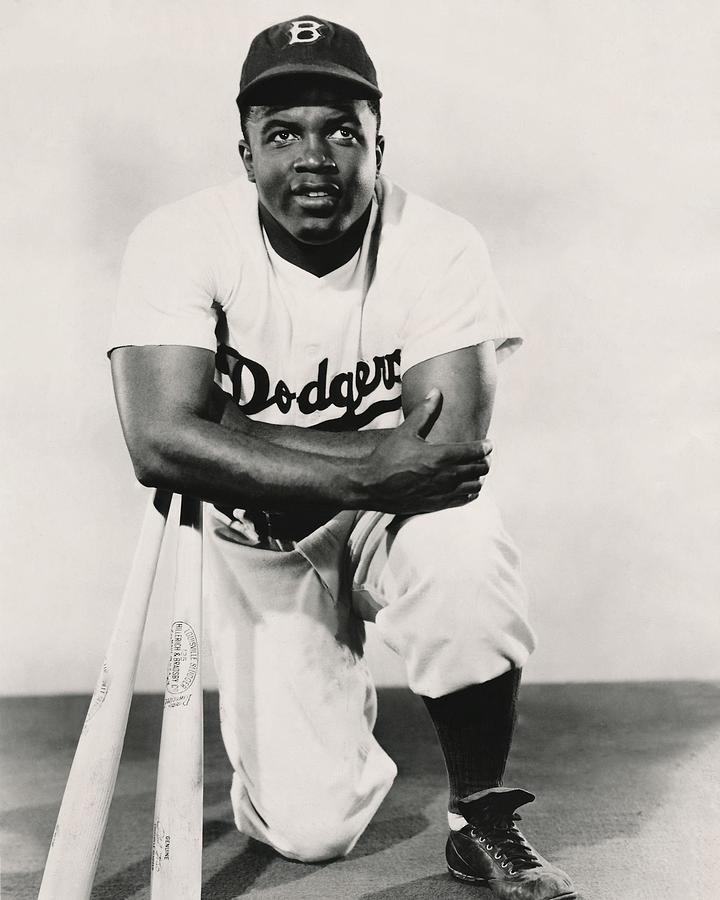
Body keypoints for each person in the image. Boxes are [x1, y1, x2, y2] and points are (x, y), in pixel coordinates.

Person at [108, 14, 575, 900]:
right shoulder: (182, 238)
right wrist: (363, 463)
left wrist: (238, 439)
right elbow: (157, 439)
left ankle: (481, 819)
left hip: (390, 516)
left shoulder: (439, 243)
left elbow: (450, 454)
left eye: (340, 130)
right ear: (245, 153)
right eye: (281, 132)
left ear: (378, 144)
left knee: (465, 549)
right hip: (259, 537)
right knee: (313, 833)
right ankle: (310, 725)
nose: (312, 155)